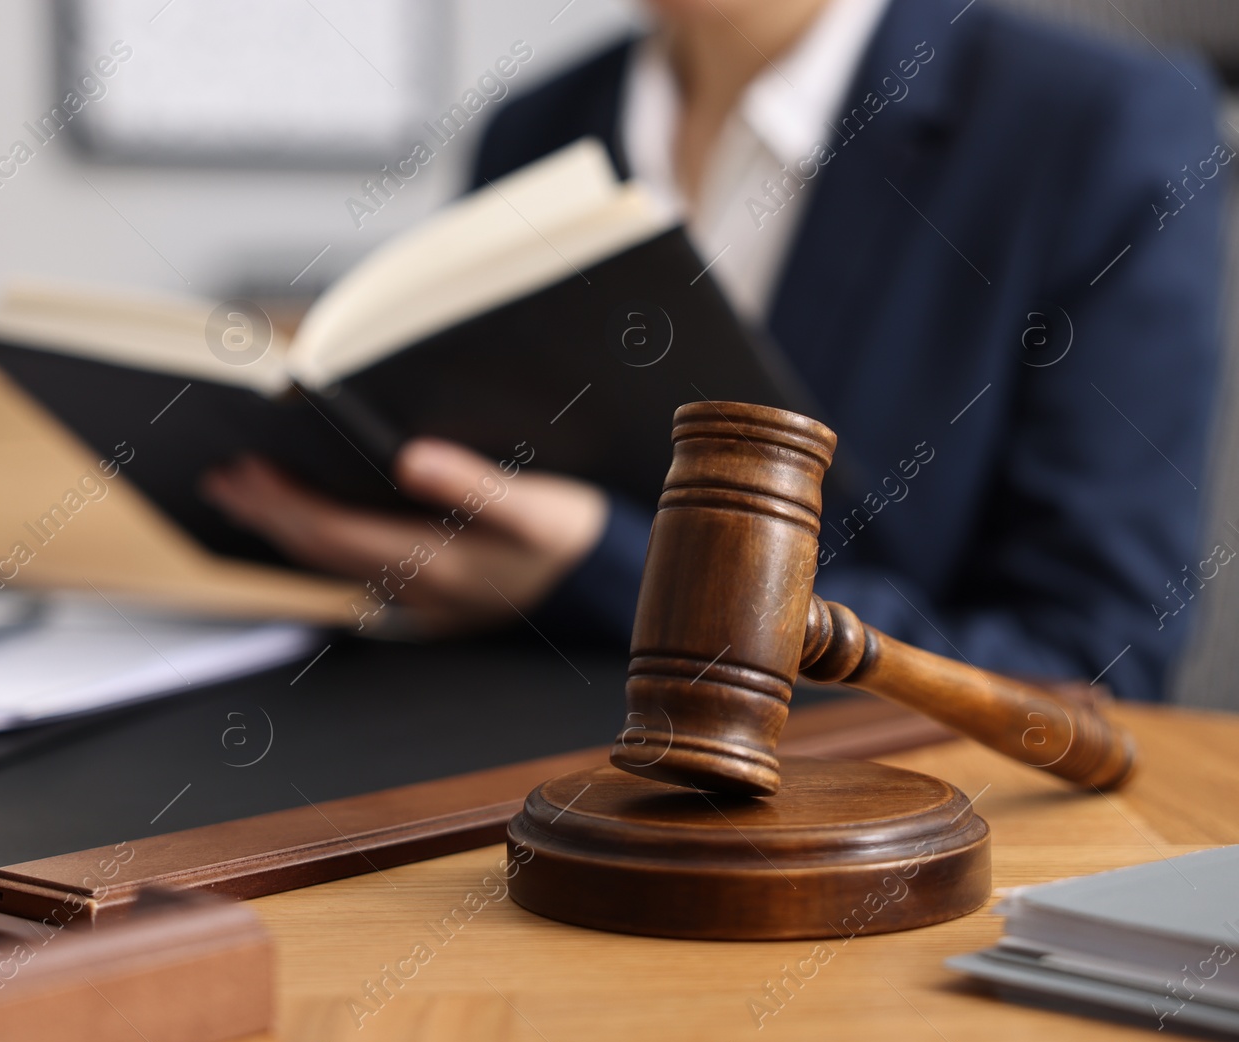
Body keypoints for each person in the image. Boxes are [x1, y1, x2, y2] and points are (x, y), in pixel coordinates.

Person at [203, 0, 1226, 701]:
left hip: (867, 843)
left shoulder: (1104, 131)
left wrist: (617, 572)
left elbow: (1089, 672)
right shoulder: (536, 126)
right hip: (503, 793)